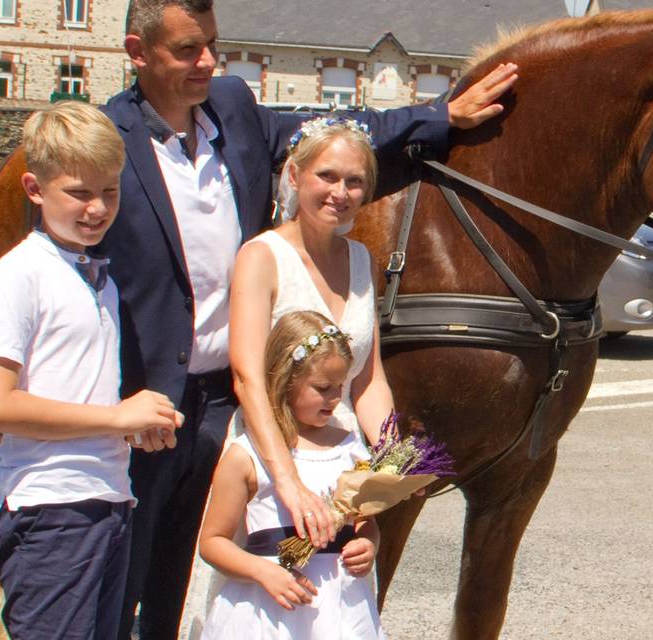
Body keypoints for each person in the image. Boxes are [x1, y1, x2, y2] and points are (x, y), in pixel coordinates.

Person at [100, 1, 517, 636]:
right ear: (138, 52)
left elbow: (342, 135)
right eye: (188, 50)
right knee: (128, 580)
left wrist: (439, 115)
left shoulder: (234, 107)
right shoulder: (107, 141)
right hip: (154, 398)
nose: (208, 60)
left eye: (212, 43)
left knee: (198, 591)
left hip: (233, 406)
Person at [0, 101, 183, 638]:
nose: (97, 208)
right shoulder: (18, 274)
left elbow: (73, 390)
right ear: (34, 190)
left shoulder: (96, 277)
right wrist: (116, 419)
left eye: (109, 192)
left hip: (104, 498)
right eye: (79, 193)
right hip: (48, 507)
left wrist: (130, 426)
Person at [228, 117, 390, 551]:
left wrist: (393, 455)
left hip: (343, 458)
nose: (341, 193)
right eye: (328, 176)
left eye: (355, 181)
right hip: (276, 451)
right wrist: (287, 481)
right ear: (296, 176)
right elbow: (248, 378)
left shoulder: (364, 262)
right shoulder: (261, 257)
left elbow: (368, 378)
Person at [199, 310, 383, 639]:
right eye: (323, 387)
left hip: (341, 605)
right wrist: (262, 572)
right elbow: (212, 542)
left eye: (340, 387)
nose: (335, 398)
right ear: (286, 379)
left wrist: (368, 543)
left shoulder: (350, 448)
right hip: (270, 607)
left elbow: (364, 520)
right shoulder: (247, 455)